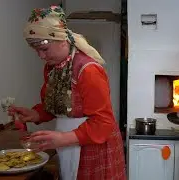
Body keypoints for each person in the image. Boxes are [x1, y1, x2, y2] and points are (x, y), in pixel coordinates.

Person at [8, 6, 126, 180]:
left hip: (94, 146)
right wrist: (35, 114)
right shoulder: (52, 68)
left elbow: (103, 122)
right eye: (36, 50)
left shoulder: (88, 71)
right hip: (67, 142)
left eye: (44, 49)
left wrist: (65, 138)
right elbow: (57, 106)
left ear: (63, 40)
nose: (41, 56)